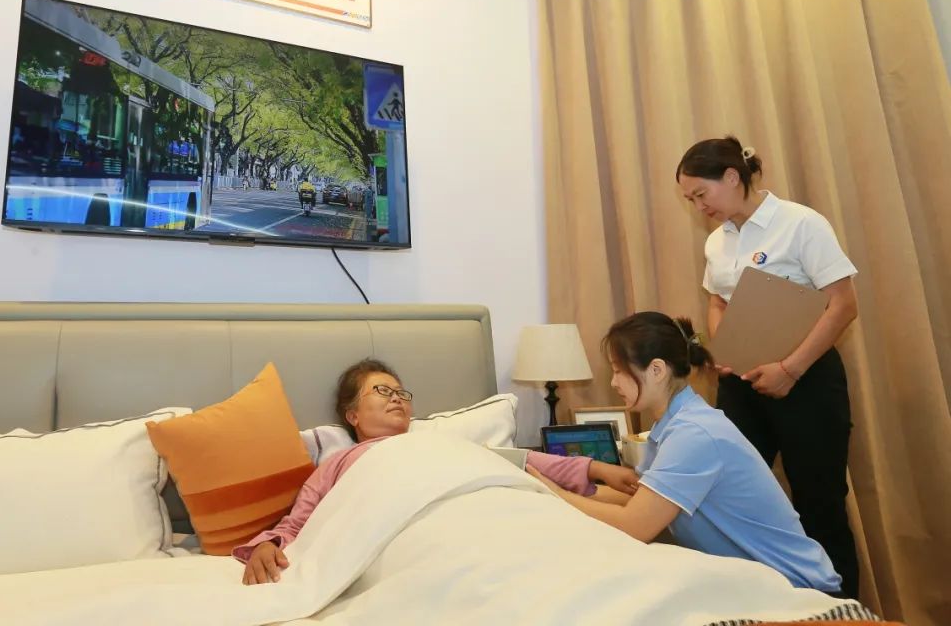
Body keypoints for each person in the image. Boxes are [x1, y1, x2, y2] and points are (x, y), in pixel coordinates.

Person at [237, 358, 639, 585]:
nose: (397, 398)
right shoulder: (339, 463)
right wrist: (265, 547)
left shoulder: (442, 443)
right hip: (415, 533)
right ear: (353, 415)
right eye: (382, 391)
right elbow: (298, 522)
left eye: (401, 392)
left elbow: (521, 461)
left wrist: (597, 467)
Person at [528, 312, 843, 594]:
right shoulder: (673, 425)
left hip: (796, 588)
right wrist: (558, 488)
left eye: (619, 371)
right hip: (758, 584)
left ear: (656, 370)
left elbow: (635, 524)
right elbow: (640, 502)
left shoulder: (694, 434)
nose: (613, 383)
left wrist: (557, 494)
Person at [674, 136, 859, 598]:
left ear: (732, 177)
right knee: (738, 498)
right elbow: (718, 301)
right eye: (690, 199)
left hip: (807, 381)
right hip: (742, 385)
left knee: (819, 504)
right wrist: (725, 350)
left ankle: (840, 611)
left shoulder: (799, 223)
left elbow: (843, 305)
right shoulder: (717, 241)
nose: (699, 206)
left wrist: (790, 370)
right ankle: (765, 605)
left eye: (701, 194)